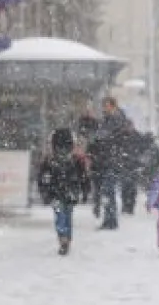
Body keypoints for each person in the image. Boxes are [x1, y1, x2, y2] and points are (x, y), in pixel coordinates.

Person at [37, 128, 87, 256]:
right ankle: (65, 239)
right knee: (66, 215)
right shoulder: (74, 160)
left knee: (60, 216)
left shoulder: (51, 160)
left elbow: (43, 177)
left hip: (58, 192)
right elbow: (83, 177)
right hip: (69, 191)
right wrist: (84, 191)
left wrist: (44, 192)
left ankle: (63, 238)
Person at [91, 97, 133, 230]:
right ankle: (109, 220)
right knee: (106, 191)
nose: (105, 108)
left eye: (107, 106)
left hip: (113, 160)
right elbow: (100, 136)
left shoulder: (117, 119)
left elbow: (107, 137)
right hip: (107, 159)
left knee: (108, 190)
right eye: (104, 106)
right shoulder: (108, 119)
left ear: (113, 106)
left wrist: (101, 137)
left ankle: (111, 221)